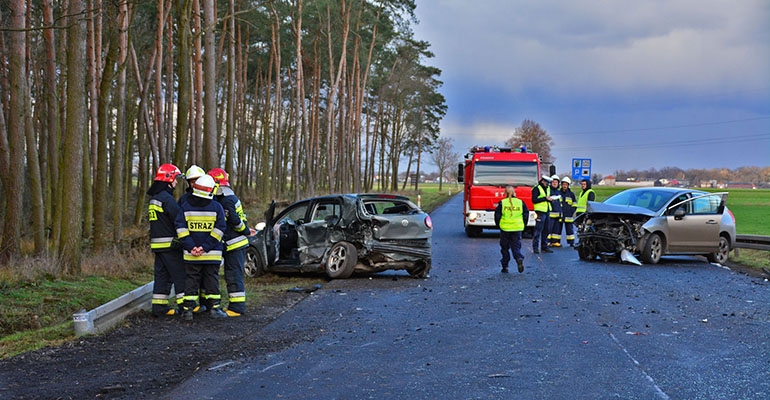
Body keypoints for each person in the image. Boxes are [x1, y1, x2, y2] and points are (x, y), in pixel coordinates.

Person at [175, 174, 228, 321]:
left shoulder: (185, 206)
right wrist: (205, 247)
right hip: (212, 253)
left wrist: (192, 247)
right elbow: (220, 229)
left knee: (191, 281)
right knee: (211, 280)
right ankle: (214, 309)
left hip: (191, 254)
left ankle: (187, 311)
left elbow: (180, 228)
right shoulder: (217, 207)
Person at [208, 168, 254, 317]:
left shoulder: (226, 199)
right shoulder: (229, 196)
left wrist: (244, 230)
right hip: (233, 243)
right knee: (231, 274)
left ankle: (237, 308)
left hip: (235, 243)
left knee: (233, 275)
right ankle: (235, 306)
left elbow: (235, 220)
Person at [147, 164, 186, 317]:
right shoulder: (167, 200)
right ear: (169, 179)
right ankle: (185, 307)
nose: (176, 183)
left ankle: (159, 308)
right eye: (175, 179)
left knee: (162, 276)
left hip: (158, 245)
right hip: (170, 245)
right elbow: (178, 220)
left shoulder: (155, 199)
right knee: (180, 275)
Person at [495, 186, 529, 273]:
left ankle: (505, 266)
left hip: (505, 228)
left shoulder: (502, 203)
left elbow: (497, 216)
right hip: (517, 228)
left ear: (505, 193)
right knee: (516, 246)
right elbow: (526, 214)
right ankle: (519, 258)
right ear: (514, 193)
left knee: (505, 248)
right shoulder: (520, 202)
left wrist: (498, 225)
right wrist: (523, 225)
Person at [531, 174, 553, 254]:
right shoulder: (536, 188)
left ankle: (544, 246)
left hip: (547, 210)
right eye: (546, 183)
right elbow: (534, 200)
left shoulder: (547, 188)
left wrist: (550, 200)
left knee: (546, 230)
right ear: (543, 181)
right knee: (538, 230)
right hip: (540, 212)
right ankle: (535, 247)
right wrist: (545, 198)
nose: (547, 185)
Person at [559, 177, 577, 246]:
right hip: (560, 215)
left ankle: (571, 242)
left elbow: (574, 204)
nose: (564, 186)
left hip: (568, 215)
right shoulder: (558, 193)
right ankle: (556, 242)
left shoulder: (571, 194)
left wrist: (571, 212)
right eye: (563, 184)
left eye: (566, 184)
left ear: (568, 185)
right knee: (557, 230)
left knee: (570, 230)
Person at [547, 175, 563, 247]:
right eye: (553, 182)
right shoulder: (548, 191)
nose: (555, 183)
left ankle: (554, 242)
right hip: (550, 214)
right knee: (548, 229)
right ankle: (547, 241)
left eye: (556, 182)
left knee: (556, 229)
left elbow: (560, 203)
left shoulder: (558, 192)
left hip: (557, 214)